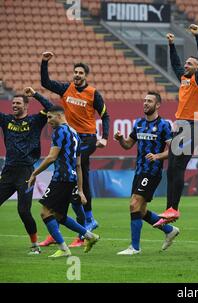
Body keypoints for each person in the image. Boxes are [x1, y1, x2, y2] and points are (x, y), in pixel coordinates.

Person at [39, 51, 110, 247]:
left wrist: (104, 138)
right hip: (72, 138)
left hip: (87, 138)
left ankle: (88, 218)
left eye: (81, 72)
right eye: (75, 72)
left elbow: (105, 115)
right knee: (76, 173)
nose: (77, 75)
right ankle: (79, 221)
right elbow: (45, 82)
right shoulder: (66, 89)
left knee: (79, 166)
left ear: (86, 76)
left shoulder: (93, 93)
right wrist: (44, 62)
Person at [154, 24, 198, 226]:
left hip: (192, 125)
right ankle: (171, 209)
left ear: (197, 68)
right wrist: (171, 45)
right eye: (186, 63)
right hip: (181, 126)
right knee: (172, 168)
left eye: (190, 64)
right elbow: (175, 63)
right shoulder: (184, 78)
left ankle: (173, 209)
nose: (186, 65)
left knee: (177, 166)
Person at [28, 105, 100, 258]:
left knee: (45, 212)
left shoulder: (59, 131)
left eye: (50, 117)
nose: (48, 121)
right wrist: (80, 190)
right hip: (71, 179)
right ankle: (89, 235)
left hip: (61, 178)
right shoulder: (75, 133)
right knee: (59, 216)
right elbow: (79, 164)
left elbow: (51, 157)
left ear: (59, 116)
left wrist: (35, 173)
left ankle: (63, 247)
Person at [114, 91, 180, 255]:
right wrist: (121, 138)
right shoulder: (138, 123)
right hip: (139, 171)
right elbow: (128, 145)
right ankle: (169, 230)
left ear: (157, 105)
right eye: (144, 101)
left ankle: (135, 247)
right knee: (140, 210)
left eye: (149, 101)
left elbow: (174, 150)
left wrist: (157, 156)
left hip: (152, 172)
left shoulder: (164, 125)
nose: (145, 103)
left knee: (133, 204)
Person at [0, 88, 53, 254]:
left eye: (18, 103)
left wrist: (35, 94)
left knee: (23, 211)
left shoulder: (35, 121)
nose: (14, 105)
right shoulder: (6, 120)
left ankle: (35, 246)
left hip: (26, 173)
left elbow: (51, 107)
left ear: (26, 106)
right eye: (13, 103)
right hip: (8, 173)